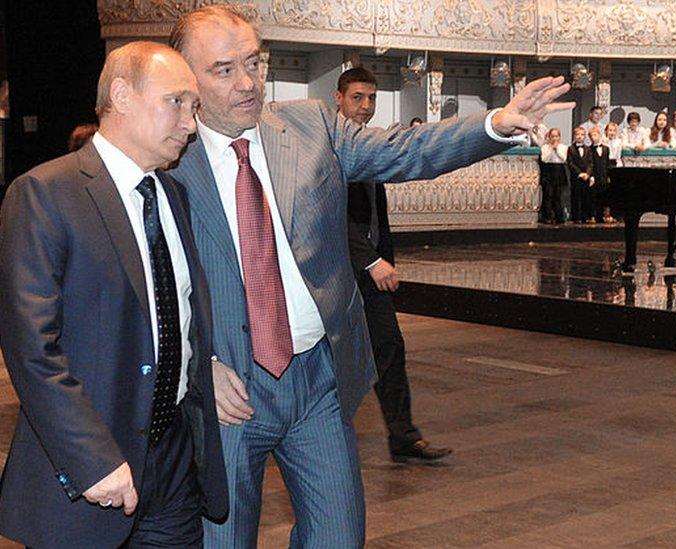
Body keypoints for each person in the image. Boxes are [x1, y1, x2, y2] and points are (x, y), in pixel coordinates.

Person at [166, 6, 572, 546]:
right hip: (229, 393)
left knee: (338, 537)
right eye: (224, 70)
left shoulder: (310, 125)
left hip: (318, 382)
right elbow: (145, 285)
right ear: (185, 77)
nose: (248, 84)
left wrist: (494, 124)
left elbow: (406, 151)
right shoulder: (168, 158)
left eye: (254, 64)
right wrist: (198, 364)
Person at [0, 41, 227, 548]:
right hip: (91, 473)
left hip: (173, 466)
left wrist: (207, 366)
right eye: (177, 102)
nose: (190, 124)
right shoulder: (45, 193)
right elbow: (32, 349)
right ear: (121, 96)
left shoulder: (174, 196)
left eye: (194, 108)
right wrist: (94, 460)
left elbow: (179, 316)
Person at [335, 67, 453, 464]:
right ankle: (317, 443)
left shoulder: (369, 143)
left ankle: (403, 436)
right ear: (339, 98)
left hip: (371, 274)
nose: (365, 107)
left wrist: (383, 259)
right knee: (331, 362)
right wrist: (371, 261)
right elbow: (332, 215)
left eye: (371, 98)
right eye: (357, 98)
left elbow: (374, 217)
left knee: (389, 348)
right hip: (333, 275)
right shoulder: (326, 144)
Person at [539, 127, 569, 223]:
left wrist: (557, 150)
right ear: (549, 137)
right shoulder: (544, 147)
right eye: (552, 136)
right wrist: (551, 149)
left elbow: (563, 159)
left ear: (559, 137)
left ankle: (559, 217)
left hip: (559, 170)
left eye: (556, 136)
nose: (554, 138)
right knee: (548, 195)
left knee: (558, 195)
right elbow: (544, 159)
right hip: (548, 170)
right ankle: (547, 217)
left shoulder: (563, 147)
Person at [566, 126, 591, 223]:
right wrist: (579, 173)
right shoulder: (570, 148)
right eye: (578, 135)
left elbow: (590, 163)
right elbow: (570, 163)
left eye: (582, 135)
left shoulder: (588, 149)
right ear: (574, 136)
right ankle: (576, 217)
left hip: (586, 177)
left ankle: (585, 217)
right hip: (576, 176)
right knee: (576, 197)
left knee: (586, 197)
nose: (580, 137)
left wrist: (587, 173)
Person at [588, 126, 611, 223]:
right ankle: (594, 215)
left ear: (600, 135)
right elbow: (590, 163)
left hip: (604, 175)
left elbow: (607, 163)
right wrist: (591, 176)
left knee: (604, 196)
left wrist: (609, 176)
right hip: (595, 176)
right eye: (592, 136)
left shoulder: (606, 149)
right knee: (594, 196)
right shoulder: (589, 149)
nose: (594, 137)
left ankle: (603, 215)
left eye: (595, 135)